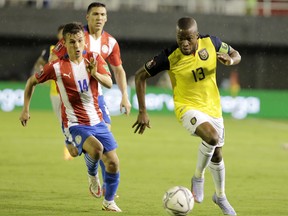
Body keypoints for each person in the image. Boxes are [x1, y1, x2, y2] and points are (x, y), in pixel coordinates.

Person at [132, 17, 241, 215]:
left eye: (189, 39)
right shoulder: (168, 56)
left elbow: (236, 53)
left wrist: (231, 59)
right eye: (180, 38)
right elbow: (140, 76)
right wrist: (142, 111)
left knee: (216, 154)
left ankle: (220, 196)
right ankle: (198, 178)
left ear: (196, 36)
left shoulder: (212, 42)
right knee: (212, 138)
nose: (184, 43)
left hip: (213, 107)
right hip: (187, 107)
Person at [19, 22, 122, 212]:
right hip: (74, 122)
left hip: (97, 120)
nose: (76, 46)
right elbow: (31, 81)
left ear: (85, 41)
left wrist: (95, 74)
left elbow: (108, 82)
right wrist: (26, 109)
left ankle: (108, 202)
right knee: (97, 150)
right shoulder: (56, 67)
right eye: (72, 42)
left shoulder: (94, 58)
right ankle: (93, 177)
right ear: (64, 44)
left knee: (114, 163)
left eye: (80, 41)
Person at [51, 2, 131, 196]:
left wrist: (125, 96)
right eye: (95, 14)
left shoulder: (110, 42)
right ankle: (73, 142)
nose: (99, 18)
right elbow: (55, 59)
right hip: (74, 100)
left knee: (105, 141)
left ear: (107, 17)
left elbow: (118, 69)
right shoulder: (77, 36)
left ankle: (104, 186)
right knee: (74, 151)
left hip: (97, 99)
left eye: (102, 14)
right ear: (87, 17)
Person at [32, 24, 74, 160]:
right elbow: (39, 63)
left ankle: (73, 145)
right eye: (62, 33)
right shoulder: (50, 49)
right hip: (56, 92)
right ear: (58, 35)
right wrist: (44, 72)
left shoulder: (75, 48)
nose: (64, 36)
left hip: (71, 91)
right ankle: (69, 144)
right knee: (62, 121)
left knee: (74, 118)